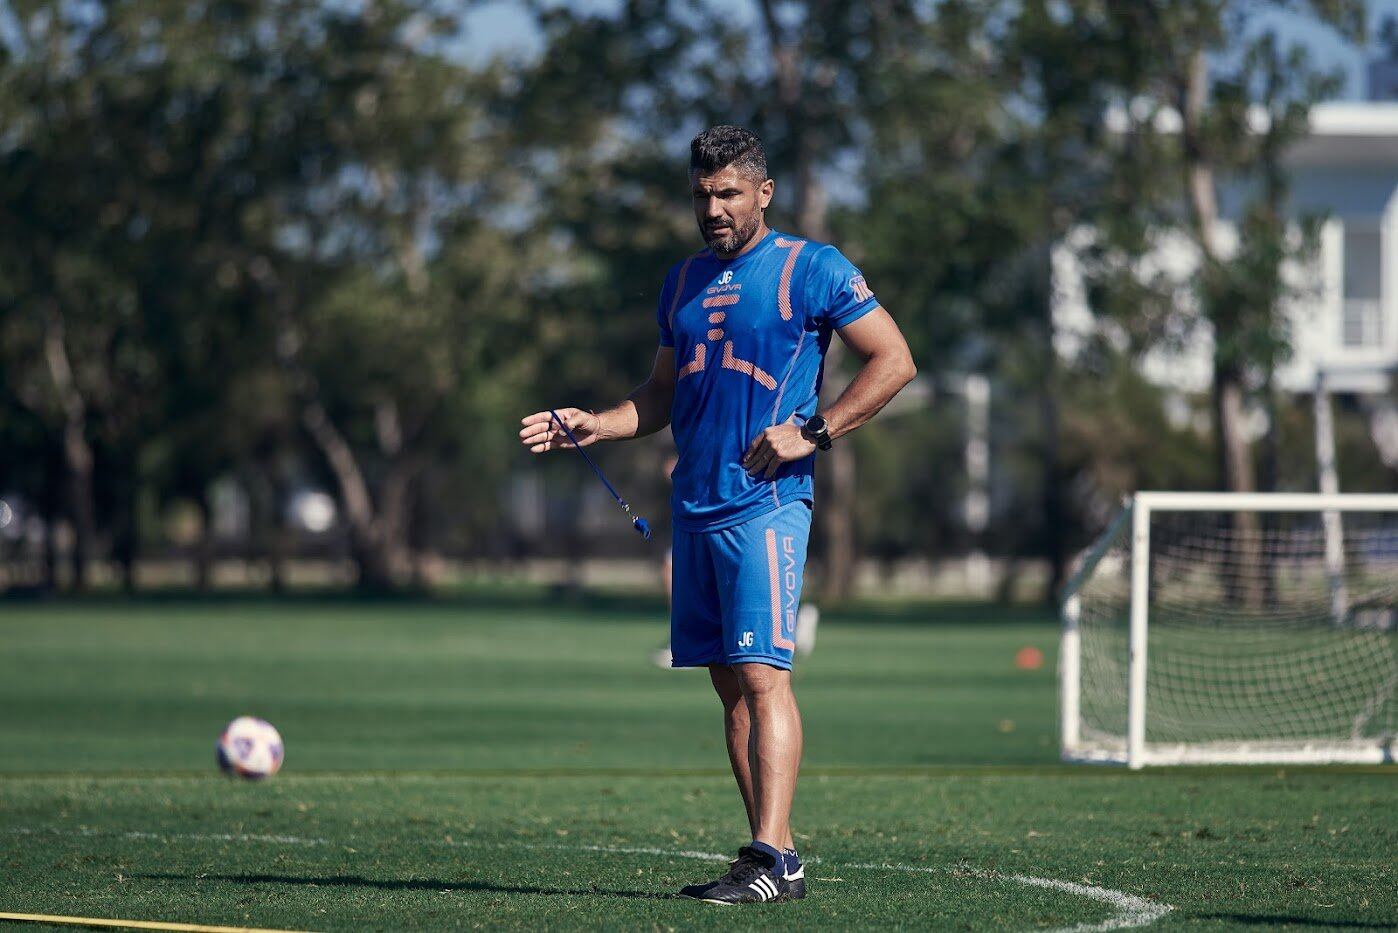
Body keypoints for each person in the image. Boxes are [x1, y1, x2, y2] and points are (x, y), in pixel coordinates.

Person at [519, 125, 915, 905]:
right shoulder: (681, 283)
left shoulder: (812, 268)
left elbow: (895, 360)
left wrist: (814, 431)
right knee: (731, 689)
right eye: (702, 194)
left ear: (763, 193)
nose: (714, 207)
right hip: (694, 509)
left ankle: (766, 857)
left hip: (767, 505)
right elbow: (660, 397)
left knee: (765, 679)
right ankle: (782, 858)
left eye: (728, 192)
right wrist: (596, 422)